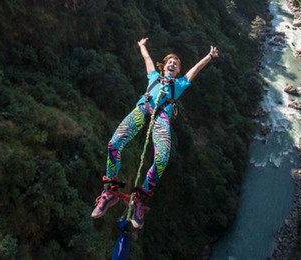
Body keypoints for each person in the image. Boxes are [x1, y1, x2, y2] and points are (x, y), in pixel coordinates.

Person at [91, 37, 219, 229]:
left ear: (177, 71)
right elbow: (147, 59)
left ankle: (140, 199)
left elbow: (195, 70)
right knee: (114, 144)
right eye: (170, 62)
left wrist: (209, 56)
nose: (173, 64)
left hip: (161, 118)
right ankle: (110, 191)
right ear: (164, 66)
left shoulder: (179, 85)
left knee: (162, 158)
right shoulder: (153, 77)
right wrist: (142, 46)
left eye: (176, 64)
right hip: (142, 109)